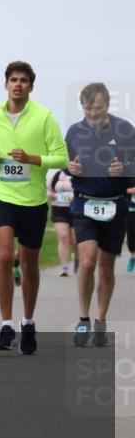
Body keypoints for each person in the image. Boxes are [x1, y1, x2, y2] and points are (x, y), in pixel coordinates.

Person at [0, 61, 67, 354]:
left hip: (33, 200)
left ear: (31, 86)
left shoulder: (45, 117)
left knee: (29, 264)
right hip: (2, 195)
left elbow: (62, 158)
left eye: (23, 80)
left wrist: (32, 159)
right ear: (5, 84)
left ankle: (27, 322)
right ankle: (6, 324)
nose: (18, 84)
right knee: (6, 256)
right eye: (13, 79)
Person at [65, 82, 135, 347]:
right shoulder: (74, 132)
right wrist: (71, 168)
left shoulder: (125, 130)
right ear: (82, 107)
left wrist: (125, 169)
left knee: (106, 269)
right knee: (86, 262)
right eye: (88, 108)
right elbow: (68, 163)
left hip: (115, 205)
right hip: (84, 205)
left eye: (98, 108)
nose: (93, 113)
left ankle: (100, 320)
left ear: (107, 105)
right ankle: (83, 319)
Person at [47, 167, 77, 277]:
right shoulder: (55, 174)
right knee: (63, 238)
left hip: (75, 209)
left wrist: (73, 197)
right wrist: (50, 195)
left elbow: (83, 191)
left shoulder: (78, 173)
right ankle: (64, 267)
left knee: (75, 241)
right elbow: (47, 189)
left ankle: (77, 258)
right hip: (59, 209)